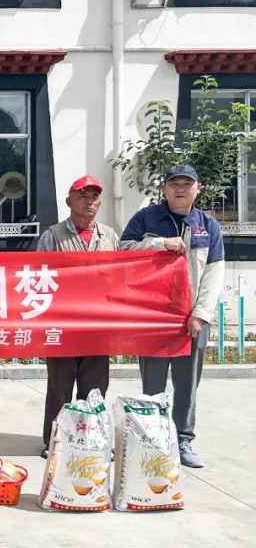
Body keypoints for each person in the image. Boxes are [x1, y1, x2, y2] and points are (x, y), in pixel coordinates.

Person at [121, 164, 224, 469]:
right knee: (152, 383)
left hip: (191, 319)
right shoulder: (146, 218)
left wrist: (200, 314)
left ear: (197, 189)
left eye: (186, 184)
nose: (180, 188)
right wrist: (159, 243)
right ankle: (152, 438)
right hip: (153, 317)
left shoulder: (208, 226)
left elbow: (214, 274)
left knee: (187, 383)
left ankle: (182, 439)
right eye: (174, 183)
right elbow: (124, 250)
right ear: (164, 189)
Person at [36, 175, 118, 458]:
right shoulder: (53, 235)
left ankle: (89, 440)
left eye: (94, 197)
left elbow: (119, 278)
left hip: (98, 327)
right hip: (63, 326)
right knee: (59, 388)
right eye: (82, 196)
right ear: (68, 201)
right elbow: (39, 281)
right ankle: (55, 441)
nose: (89, 202)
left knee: (95, 389)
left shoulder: (110, 237)